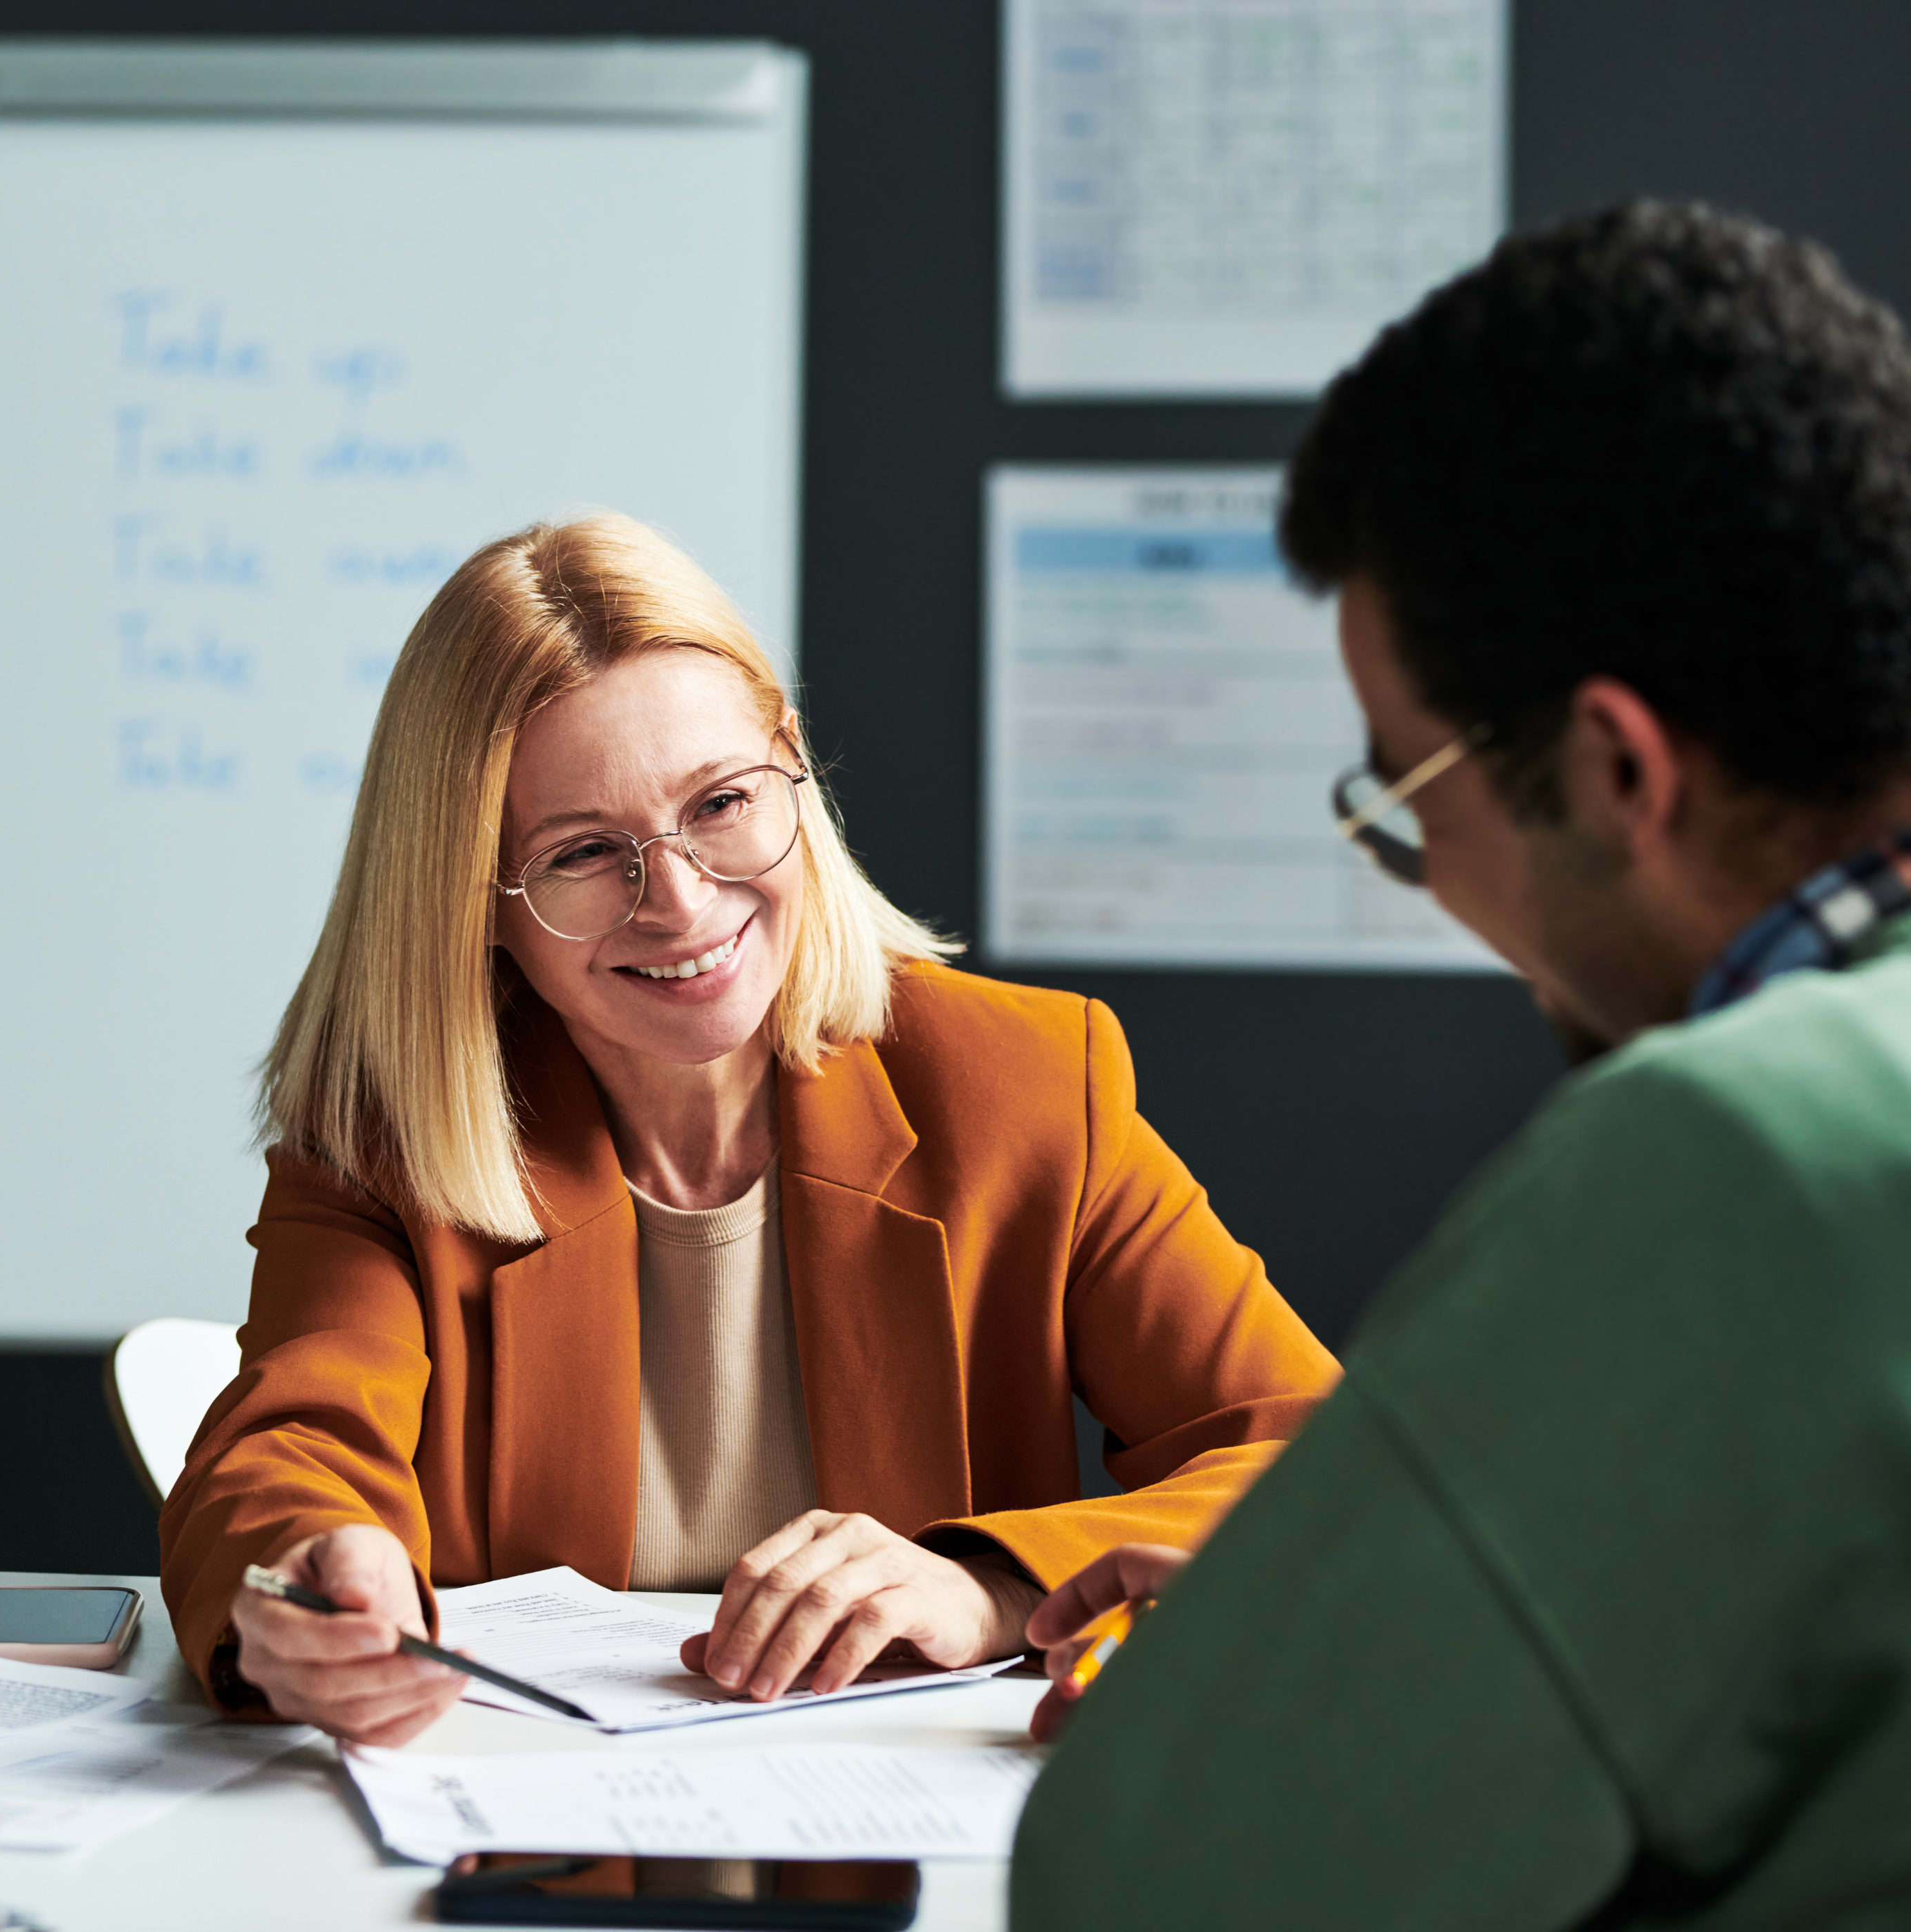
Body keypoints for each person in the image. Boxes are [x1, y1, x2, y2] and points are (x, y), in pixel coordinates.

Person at [1009, 201, 1911, 1927]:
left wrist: (1294, 1687)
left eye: (1403, 802)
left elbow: (1144, 1893)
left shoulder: (1727, 1155)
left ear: (1615, 770)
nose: (1431, 890)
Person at [161, 513, 1339, 1742]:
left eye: (720, 801)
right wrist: (317, 1565)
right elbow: (290, 1444)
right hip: (526, 1843)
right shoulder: (387, 1134)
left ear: (792, 769)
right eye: (582, 854)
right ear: (475, 905)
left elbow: (1307, 1459)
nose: (678, 901)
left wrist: (986, 1584)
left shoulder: (1027, 1082)